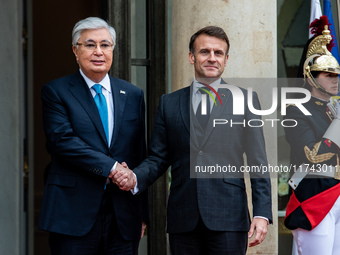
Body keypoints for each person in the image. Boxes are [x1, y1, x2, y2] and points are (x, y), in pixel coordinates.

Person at [112, 26, 272, 255]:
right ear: (191, 56)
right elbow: (157, 157)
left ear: (226, 60)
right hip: (183, 217)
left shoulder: (245, 100)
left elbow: (258, 160)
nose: (211, 58)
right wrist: (134, 176)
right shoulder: (169, 103)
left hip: (229, 216)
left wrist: (261, 213)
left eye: (218, 53)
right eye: (204, 51)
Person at [38, 17, 148, 255]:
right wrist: (113, 168)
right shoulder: (56, 91)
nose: (98, 52)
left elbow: (139, 154)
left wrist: (143, 214)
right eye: (90, 45)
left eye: (105, 45)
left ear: (112, 50)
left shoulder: (133, 94)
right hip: (72, 214)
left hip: (124, 216)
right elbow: (62, 141)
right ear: (75, 51)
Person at [284, 16, 340, 255]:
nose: (335, 79)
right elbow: (312, 154)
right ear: (310, 76)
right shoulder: (296, 109)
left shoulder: (334, 108)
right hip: (315, 197)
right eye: (327, 74)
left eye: (336, 74)